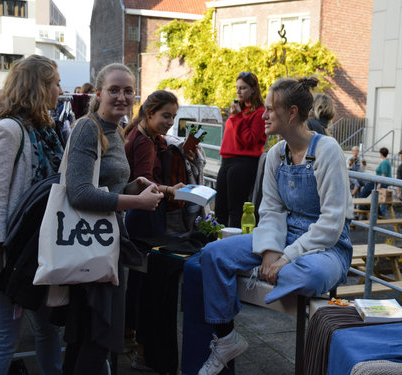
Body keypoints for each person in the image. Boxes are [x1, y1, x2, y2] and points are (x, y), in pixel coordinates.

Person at [182, 76, 353, 375]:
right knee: (212, 254)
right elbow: (271, 210)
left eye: (272, 108)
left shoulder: (328, 151)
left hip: (328, 245)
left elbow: (332, 222)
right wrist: (270, 252)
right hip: (285, 236)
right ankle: (225, 338)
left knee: (313, 275)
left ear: (292, 113)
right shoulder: (275, 155)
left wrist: (285, 257)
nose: (264, 114)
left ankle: (260, 275)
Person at [62, 63, 164, 375]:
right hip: (90, 246)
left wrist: (137, 187)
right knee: (96, 334)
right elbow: (78, 192)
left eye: (128, 90)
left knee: (94, 335)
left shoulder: (115, 131)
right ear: (98, 93)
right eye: (114, 90)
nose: (122, 96)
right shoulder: (86, 128)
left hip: (106, 243)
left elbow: (108, 186)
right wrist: (136, 201)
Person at [123, 90, 206, 372]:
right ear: (149, 113)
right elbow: (142, 182)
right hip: (145, 218)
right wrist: (172, 189)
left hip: (142, 217)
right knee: (149, 287)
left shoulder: (144, 135)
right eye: (165, 115)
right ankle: (144, 352)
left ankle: (135, 343)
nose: (170, 122)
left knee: (140, 285)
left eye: (173, 116)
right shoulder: (144, 142)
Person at [0, 55, 64, 375]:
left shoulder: (47, 131)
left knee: (48, 330)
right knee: (4, 336)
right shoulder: (9, 130)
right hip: (11, 252)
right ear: (39, 87)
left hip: (39, 248)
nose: (60, 91)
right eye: (55, 83)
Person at [215, 72, 266, 228]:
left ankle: (233, 244)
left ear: (253, 90)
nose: (239, 91)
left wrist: (237, 118)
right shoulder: (240, 110)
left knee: (235, 209)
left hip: (243, 162)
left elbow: (250, 140)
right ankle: (216, 242)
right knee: (220, 207)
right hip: (227, 160)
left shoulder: (259, 113)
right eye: (237, 88)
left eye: (243, 88)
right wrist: (237, 115)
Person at [359, 147, 391, 216]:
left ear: (381, 154)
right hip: (381, 182)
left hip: (380, 182)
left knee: (366, 188)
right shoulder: (387, 161)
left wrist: (379, 184)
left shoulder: (384, 162)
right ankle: (363, 208)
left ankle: (361, 205)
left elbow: (383, 174)